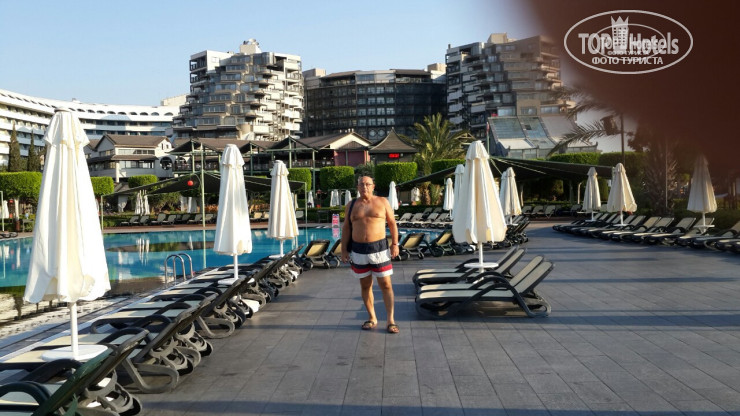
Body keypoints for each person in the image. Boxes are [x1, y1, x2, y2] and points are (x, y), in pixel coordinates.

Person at [341, 176, 400, 334]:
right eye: (361, 184)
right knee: (365, 285)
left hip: (379, 248)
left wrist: (395, 244)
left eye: (368, 184)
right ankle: (372, 317)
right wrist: (343, 249)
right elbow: (346, 228)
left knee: (386, 284)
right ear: (357, 187)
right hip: (358, 249)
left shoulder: (382, 202)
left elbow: (392, 223)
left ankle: (390, 320)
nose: (364, 187)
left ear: (373, 186)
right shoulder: (351, 205)